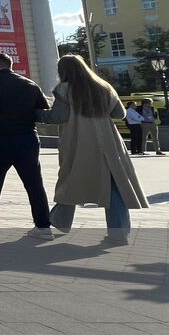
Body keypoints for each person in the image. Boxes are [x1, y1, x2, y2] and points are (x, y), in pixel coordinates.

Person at [37, 55, 147, 244]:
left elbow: (58, 116)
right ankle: (119, 233)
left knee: (71, 179)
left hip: (78, 141)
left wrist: (36, 112)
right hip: (109, 142)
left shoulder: (64, 89)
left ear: (62, 71)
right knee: (114, 186)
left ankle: (58, 221)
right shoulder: (104, 87)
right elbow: (119, 114)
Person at [0, 52, 53, 238]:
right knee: (34, 183)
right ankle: (43, 226)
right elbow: (43, 108)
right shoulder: (29, 83)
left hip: (1, 139)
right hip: (28, 139)